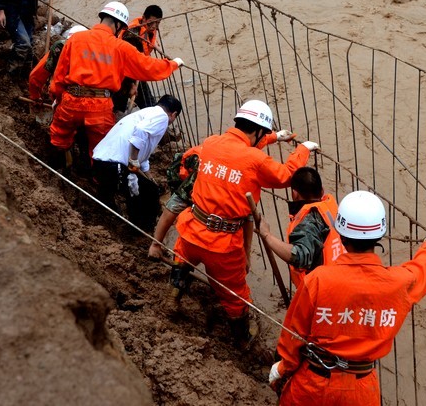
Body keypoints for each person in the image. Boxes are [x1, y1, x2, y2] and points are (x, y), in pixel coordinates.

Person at [268, 191, 426, 404]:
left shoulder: (317, 280)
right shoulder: (398, 283)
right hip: (362, 390)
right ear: (379, 235)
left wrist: (282, 368)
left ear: (341, 237)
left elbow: (294, 334)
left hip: (312, 384)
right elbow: (423, 269)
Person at [168, 100, 317, 349]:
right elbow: (286, 176)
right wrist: (303, 149)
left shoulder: (211, 142)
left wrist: (273, 138)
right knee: (236, 294)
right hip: (222, 244)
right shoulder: (256, 161)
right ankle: (242, 337)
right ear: (259, 130)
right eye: (264, 133)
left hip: (191, 227)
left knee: (181, 259)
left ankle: (173, 296)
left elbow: (240, 144)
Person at [47, 1, 183, 166]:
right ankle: (96, 180)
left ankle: (57, 176)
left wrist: (57, 99)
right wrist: (173, 64)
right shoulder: (120, 47)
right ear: (119, 25)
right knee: (102, 150)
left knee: (59, 138)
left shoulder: (75, 39)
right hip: (99, 107)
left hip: (70, 101)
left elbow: (59, 77)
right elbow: (149, 67)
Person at [147, 128, 294, 260]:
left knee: (242, 213)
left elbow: (247, 146)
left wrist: (276, 136)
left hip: (218, 173)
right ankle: (161, 249)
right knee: (180, 205)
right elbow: (172, 207)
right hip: (201, 175)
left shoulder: (233, 148)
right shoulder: (198, 169)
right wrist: (156, 244)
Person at [91, 94, 183, 231]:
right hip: (114, 165)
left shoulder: (147, 113)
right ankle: (142, 230)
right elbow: (140, 132)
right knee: (148, 193)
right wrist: (133, 161)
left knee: (147, 186)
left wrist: (150, 178)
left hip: (100, 162)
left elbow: (143, 157)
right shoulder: (162, 116)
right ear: (173, 114)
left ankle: (112, 215)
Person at [256, 166, 343, 292]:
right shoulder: (331, 208)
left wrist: (266, 235)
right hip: (339, 279)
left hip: (321, 291)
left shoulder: (310, 221)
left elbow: (298, 256)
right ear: (322, 191)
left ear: (294, 193)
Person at [28, 24, 88, 102]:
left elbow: (36, 75)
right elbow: (37, 75)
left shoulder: (89, 58)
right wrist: (35, 96)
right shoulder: (59, 49)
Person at [120, 4, 163, 108]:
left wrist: (154, 45)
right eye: (151, 22)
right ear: (144, 18)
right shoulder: (131, 35)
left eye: (157, 23)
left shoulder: (147, 29)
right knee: (120, 105)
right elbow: (129, 62)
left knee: (148, 103)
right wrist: (132, 85)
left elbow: (147, 41)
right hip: (125, 76)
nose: (154, 26)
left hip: (137, 72)